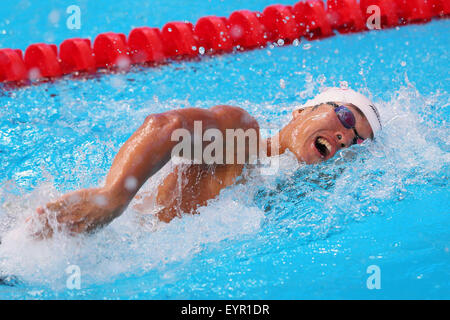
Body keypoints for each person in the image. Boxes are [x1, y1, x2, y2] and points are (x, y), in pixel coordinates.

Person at [30, 87, 381, 237]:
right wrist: (112, 198)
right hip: (88, 231)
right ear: (302, 110)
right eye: (345, 118)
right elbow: (166, 126)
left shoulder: (287, 191)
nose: (344, 138)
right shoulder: (242, 138)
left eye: (355, 142)